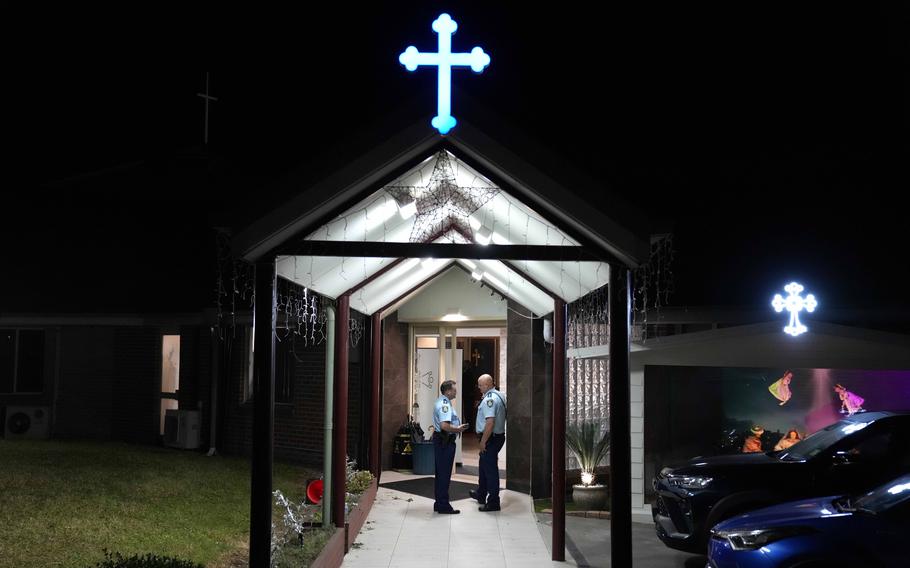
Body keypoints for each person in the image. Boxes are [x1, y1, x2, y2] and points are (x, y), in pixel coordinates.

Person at [470, 374, 507, 512]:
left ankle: (493, 502)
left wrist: (483, 442)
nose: (479, 388)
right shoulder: (500, 395)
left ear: (487, 384)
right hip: (497, 437)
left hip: (490, 438)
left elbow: (490, 423)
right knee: (483, 466)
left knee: (490, 470)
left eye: (480, 385)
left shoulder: (489, 400)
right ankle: (481, 494)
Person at [432, 380, 469, 514]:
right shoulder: (444, 405)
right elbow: (444, 426)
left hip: (442, 440)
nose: (456, 392)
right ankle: (443, 505)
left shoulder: (443, 402)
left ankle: (439, 502)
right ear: (447, 391)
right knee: (444, 474)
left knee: (441, 473)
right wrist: (458, 429)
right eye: (454, 389)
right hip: (444, 441)